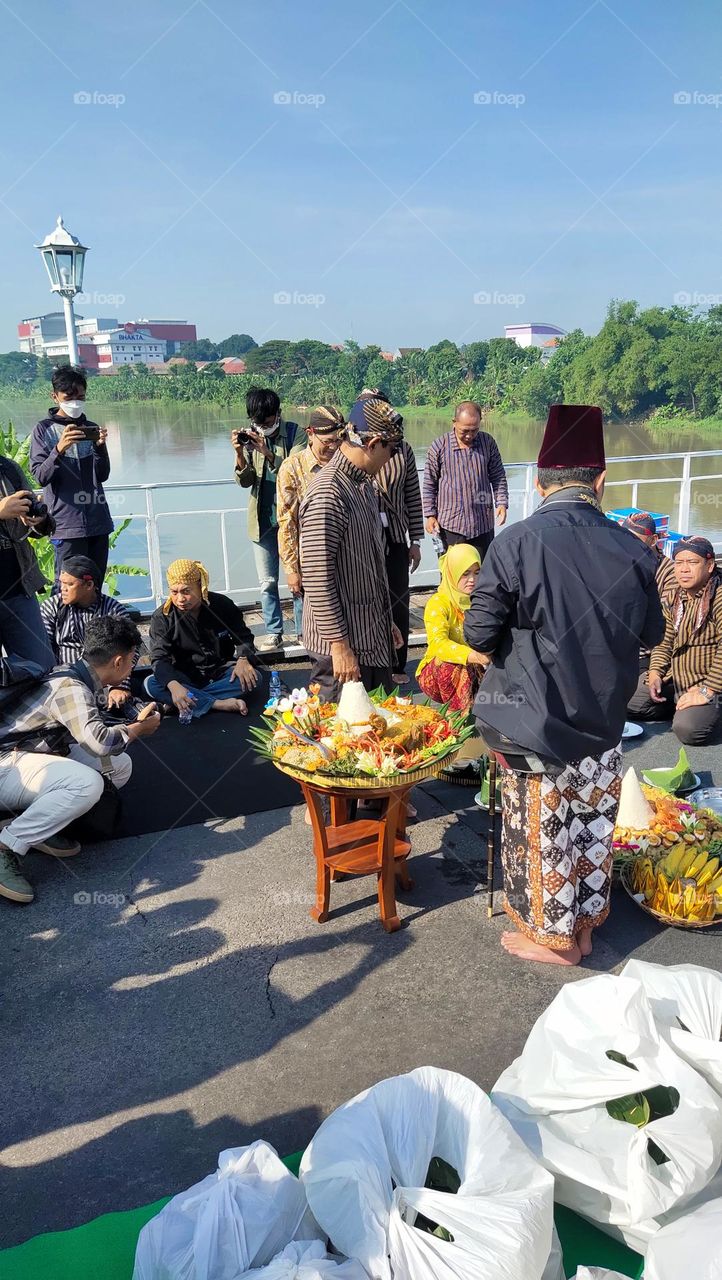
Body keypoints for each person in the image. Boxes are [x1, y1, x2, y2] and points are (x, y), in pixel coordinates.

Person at [464, 403, 665, 967]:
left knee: (544, 827)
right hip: (603, 719)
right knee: (593, 822)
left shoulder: (515, 542)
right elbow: (652, 631)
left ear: (537, 480)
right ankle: (585, 927)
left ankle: (555, 938)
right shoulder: (635, 549)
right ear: (600, 482)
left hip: (534, 721)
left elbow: (478, 633)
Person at [0, 615, 160, 904]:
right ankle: (6, 846)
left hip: (22, 757)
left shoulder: (73, 674)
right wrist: (138, 729)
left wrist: (129, 728)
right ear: (118, 661)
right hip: (5, 764)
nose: (133, 665)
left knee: (120, 766)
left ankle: (39, 824)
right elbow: (99, 741)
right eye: (134, 658)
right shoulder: (72, 687)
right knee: (86, 784)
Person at [299, 397, 404, 701]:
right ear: (372, 443)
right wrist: (338, 644)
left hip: (370, 637)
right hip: (342, 650)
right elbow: (318, 578)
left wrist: (386, 621)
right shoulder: (328, 492)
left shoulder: (363, 485)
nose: (393, 458)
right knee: (340, 739)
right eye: (392, 449)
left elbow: (370, 564)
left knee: (374, 734)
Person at [627, 535, 722, 744]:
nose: (684, 569)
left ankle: (705, 710)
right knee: (632, 702)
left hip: (711, 684)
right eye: (679, 562)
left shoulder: (718, 595)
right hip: (678, 679)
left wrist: (708, 690)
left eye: (692, 562)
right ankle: (684, 704)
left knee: (689, 730)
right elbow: (664, 640)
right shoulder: (675, 595)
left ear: (709, 566)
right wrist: (655, 673)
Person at [232, 387, 306, 651]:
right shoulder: (252, 438)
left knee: (298, 579)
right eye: (256, 423)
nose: (261, 428)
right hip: (262, 520)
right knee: (268, 582)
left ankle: (302, 632)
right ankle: (274, 631)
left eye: (265, 422)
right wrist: (240, 454)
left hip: (294, 521)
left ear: (278, 414)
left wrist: (267, 452)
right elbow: (245, 482)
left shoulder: (296, 433)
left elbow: (297, 472)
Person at [357, 393, 424, 684]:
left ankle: (397, 664)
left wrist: (416, 540)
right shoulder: (353, 449)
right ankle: (371, 660)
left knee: (398, 598)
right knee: (370, 596)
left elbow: (413, 494)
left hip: (395, 534)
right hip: (365, 534)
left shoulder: (403, 450)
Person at [30, 365, 113, 583]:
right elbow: (40, 476)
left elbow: (102, 475)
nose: (76, 402)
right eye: (69, 397)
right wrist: (59, 448)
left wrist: (100, 447)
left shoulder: (90, 427)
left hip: (98, 521)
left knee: (93, 586)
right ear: (55, 396)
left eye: (81, 396)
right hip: (65, 525)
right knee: (67, 589)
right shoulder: (43, 430)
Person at [146, 559, 261, 717]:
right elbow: (159, 658)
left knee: (254, 677)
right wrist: (173, 686)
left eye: (186, 591)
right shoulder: (162, 617)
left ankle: (186, 702)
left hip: (220, 671)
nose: (180, 599)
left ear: (201, 587)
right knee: (152, 683)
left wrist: (243, 659)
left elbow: (243, 637)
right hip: (184, 677)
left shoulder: (222, 605)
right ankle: (218, 704)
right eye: (174, 592)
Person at [276, 406, 344, 644]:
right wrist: (292, 569)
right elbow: (287, 522)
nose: (333, 446)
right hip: (310, 561)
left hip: (346, 559)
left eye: (338, 440)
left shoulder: (346, 461)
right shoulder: (292, 467)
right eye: (327, 441)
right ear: (310, 433)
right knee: (313, 632)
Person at [40, 555, 138, 710]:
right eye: (61, 583)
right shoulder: (51, 607)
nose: (62, 589)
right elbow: (44, 651)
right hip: (64, 681)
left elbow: (131, 649)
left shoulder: (113, 609)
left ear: (89, 585)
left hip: (104, 681)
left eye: (69, 584)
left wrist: (120, 686)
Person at [422, 401, 508, 559]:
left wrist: (501, 502)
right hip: (450, 525)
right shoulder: (439, 447)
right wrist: (430, 515)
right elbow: (429, 484)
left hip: (482, 524)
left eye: (474, 430)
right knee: (453, 575)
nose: (469, 435)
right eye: (465, 431)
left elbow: (498, 475)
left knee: (483, 573)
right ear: (454, 423)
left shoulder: (487, 443)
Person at [0, 449, 56, 671]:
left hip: (19, 588)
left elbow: (40, 527)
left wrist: (39, 520)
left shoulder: (8, 468)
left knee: (42, 668)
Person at [416, 544, 488, 710]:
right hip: (439, 675)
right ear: (452, 573)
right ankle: (455, 717)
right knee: (452, 663)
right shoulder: (438, 603)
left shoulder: (483, 600)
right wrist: (474, 656)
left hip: (478, 665)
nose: (472, 579)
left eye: (477, 573)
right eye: (465, 573)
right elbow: (438, 645)